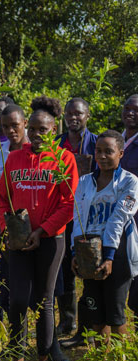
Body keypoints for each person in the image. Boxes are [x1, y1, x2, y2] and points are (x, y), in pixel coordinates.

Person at [0, 95, 78, 361]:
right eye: (33, 129)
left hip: (50, 241)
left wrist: (41, 231)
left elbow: (68, 204)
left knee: (44, 301)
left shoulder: (64, 159)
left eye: (44, 130)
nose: (37, 134)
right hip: (19, 240)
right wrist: (9, 226)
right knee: (17, 299)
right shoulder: (15, 158)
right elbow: (2, 197)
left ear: (54, 130)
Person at [71, 131, 138, 345]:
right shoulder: (85, 181)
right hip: (89, 252)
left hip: (118, 251)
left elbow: (117, 220)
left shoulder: (129, 182)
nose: (102, 156)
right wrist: (76, 253)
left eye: (108, 152)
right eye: (98, 151)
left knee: (116, 312)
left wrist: (109, 256)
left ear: (120, 153)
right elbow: (78, 217)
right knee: (96, 314)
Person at [57, 98, 97, 346]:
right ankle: (67, 320)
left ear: (87, 116)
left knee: (90, 271)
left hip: (90, 217)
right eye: (69, 113)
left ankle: (91, 325)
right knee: (64, 269)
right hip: (63, 215)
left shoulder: (96, 143)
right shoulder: (57, 144)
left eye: (78, 114)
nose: (73, 117)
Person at [0, 104, 28, 314]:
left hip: (31, 222)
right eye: (5, 127)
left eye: (15, 125)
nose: (11, 131)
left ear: (24, 124)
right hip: (8, 222)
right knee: (6, 272)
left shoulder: (35, 152)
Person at [120, 94, 138, 327]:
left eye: (136, 110)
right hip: (116, 220)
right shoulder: (116, 140)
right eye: (127, 109)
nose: (131, 113)